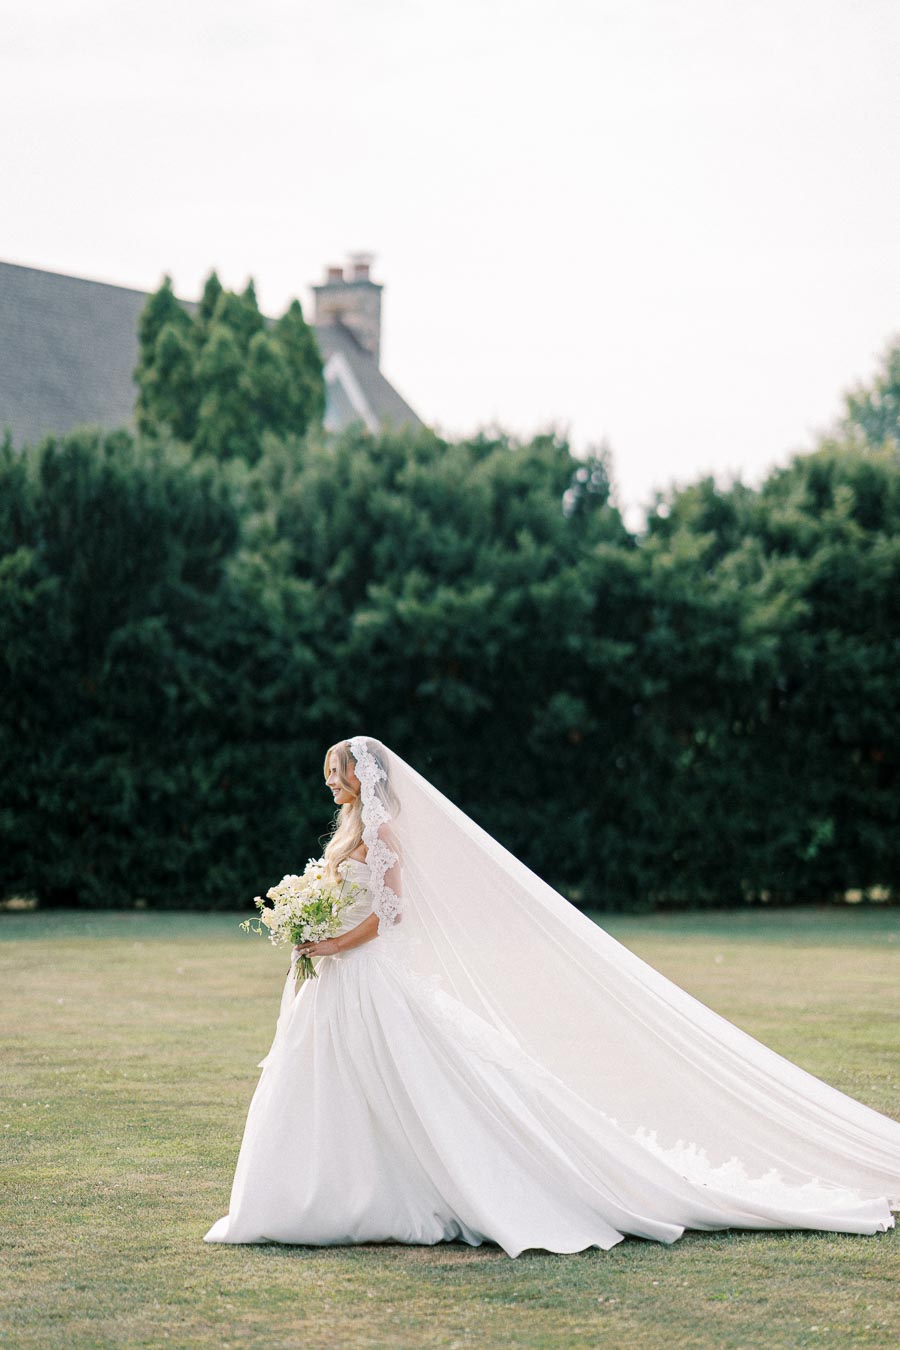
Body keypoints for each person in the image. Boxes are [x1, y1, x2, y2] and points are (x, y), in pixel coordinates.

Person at [204, 736, 899, 1256]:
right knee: (335, 1085)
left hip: (365, 976)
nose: (332, 783)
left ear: (365, 775)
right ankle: (324, 1192)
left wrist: (324, 943)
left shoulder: (383, 831)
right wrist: (311, 926)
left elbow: (389, 916)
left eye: (339, 771)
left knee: (416, 1081)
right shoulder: (348, 832)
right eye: (328, 773)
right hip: (335, 983)